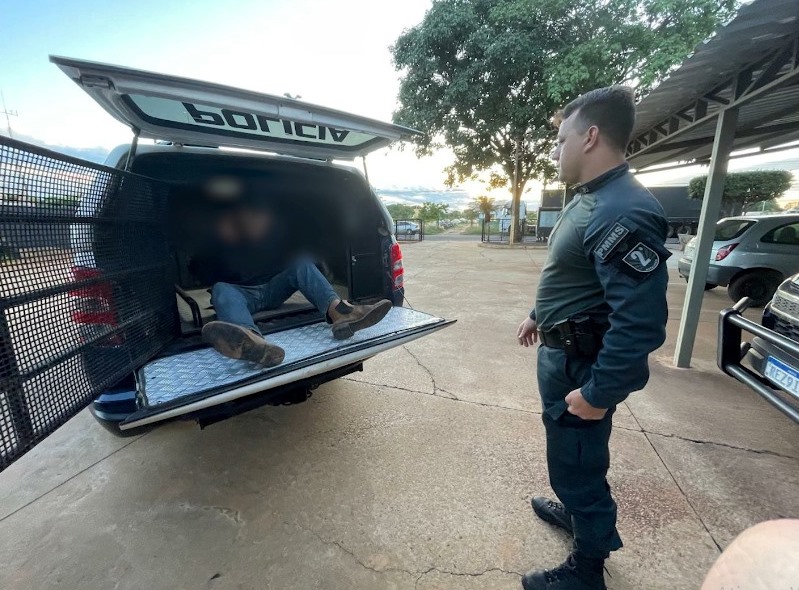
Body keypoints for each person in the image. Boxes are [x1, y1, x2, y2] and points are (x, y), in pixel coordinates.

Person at [516, 86, 671, 590]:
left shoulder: (621, 210)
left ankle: (587, 571)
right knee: (569, 457)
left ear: (591, 136)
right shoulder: (593, 196)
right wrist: (540, 312)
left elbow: (640, 323)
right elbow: (574, 273)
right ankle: (577, 513)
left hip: (582, 367)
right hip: (562, 350)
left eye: (561, 140)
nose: (555, 150)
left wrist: (599, 393)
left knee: (579, 464)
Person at [189, 177, 392, 367]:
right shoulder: (219, 240)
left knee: (300, 263)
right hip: (241, 293)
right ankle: (252, 343)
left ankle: (342, 314)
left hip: (273, 289)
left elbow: (291, 257)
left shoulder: (272, 234)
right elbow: (202, 273)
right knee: (220, 289)